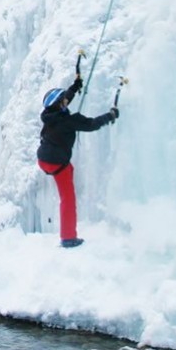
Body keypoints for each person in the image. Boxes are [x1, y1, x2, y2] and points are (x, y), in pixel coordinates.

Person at [36, 73, 118, 248]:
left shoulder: (49, 114)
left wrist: (75, 86)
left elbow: (64, 101)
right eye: (63, 100)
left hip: (44, 158)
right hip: (57, 163)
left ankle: (68, 235)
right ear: (59, 105)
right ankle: (68, 237)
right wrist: (110, 115)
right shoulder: (69, 121)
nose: (66, 101)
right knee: (68, 198)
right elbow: (92, 124)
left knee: (68, 172)